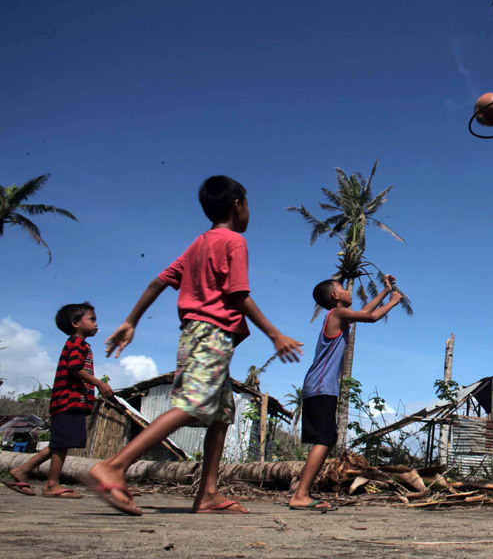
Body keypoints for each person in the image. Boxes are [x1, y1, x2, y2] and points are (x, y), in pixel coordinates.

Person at [87, 175, 303, 516]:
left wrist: (131, 320)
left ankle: (208, 494)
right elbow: (238, 294)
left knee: (220, 416)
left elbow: (159, 281)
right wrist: (274, 333)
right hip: (211, 333)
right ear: (238, 205)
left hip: (197, 333)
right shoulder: (233, 242)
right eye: (248, 205)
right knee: (193, 405)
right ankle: (115, 466)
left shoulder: (199, 243)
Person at [288, 275, 401, 511]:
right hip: (320, 387)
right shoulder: (336, 315)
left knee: (326, 439)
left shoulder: (340, 317)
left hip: (320, 387)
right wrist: (392, 302)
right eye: (343, 289)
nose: (349, 292)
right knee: (325, 439)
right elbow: (370, 316)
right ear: (334, 296)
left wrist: (384, 291)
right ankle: (300, 494)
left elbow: (366, 311)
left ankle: (302, 492)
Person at [3, 303, 114, 498]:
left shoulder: (77, 344)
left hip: (70, 400)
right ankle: (51, 484)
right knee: (61, 444)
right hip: (69, 401)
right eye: (92, 320)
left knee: (60, 443)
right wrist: (99, 384)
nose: (97, 324)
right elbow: (74, 369)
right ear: (75, 323)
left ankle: (23, 471)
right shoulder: (78, 344)